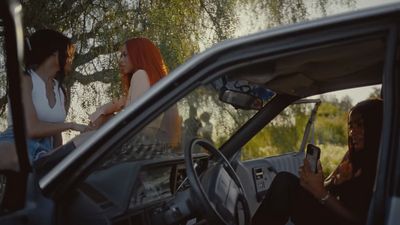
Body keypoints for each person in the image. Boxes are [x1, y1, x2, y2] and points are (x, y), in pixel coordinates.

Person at [252, 98, 383, 225]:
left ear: (376, 125)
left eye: (360, 125)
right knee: (285, 180)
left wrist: (321, 193)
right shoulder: (351, 155)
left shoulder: (384, 164)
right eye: (351, 126)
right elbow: (325, 186)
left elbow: (361, 220)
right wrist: (332, 181)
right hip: (329, 212)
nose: (352, 132)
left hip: (340, 220)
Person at [0, 29, 87, 171]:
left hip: (44, 152)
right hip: (17, 144)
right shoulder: (26, 80)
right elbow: (31, 129)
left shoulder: (60, 90)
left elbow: (56, 134)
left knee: (86, 142)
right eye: (68, 52)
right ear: (54, 52)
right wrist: (72, 125)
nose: (71, 57)